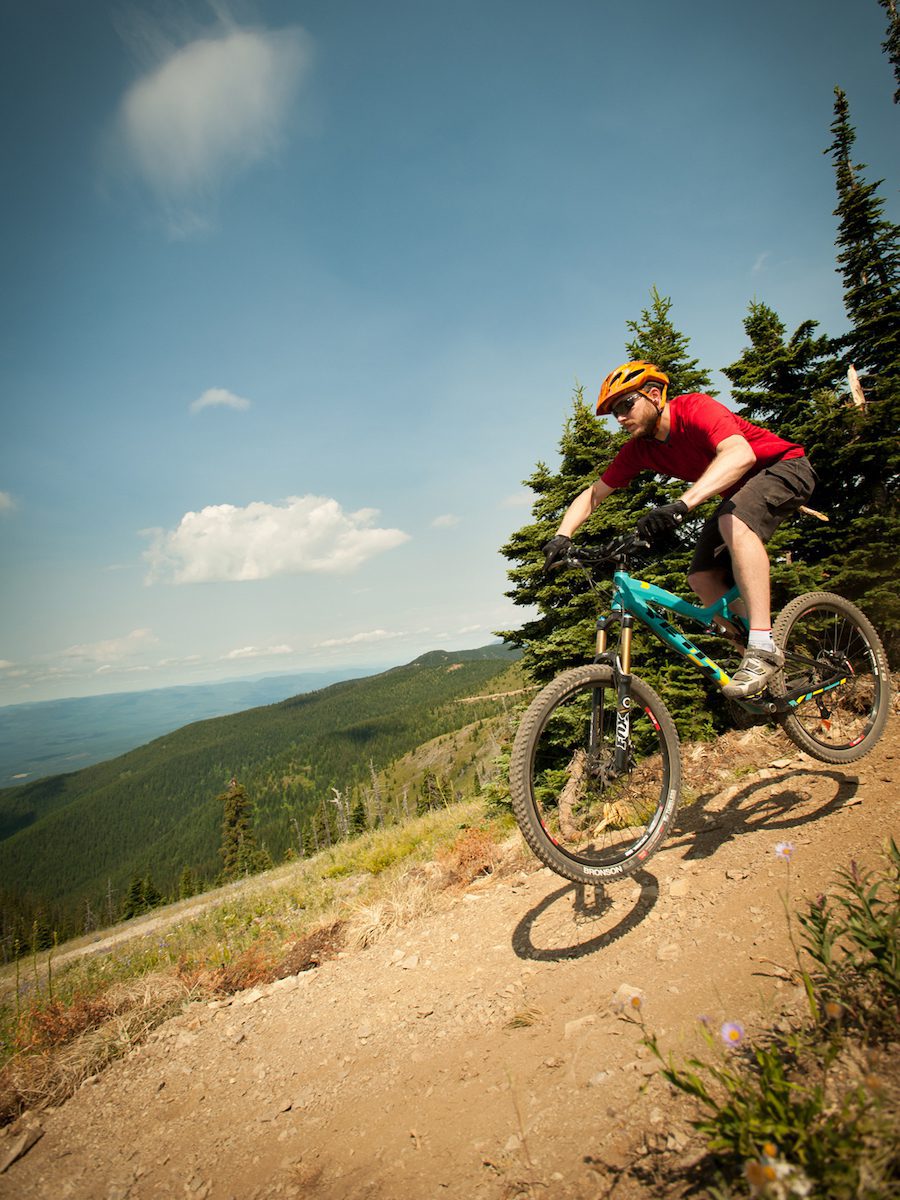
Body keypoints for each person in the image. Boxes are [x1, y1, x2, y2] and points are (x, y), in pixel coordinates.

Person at [542, 360, 817, 699]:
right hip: (738, 494)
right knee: (701, 577)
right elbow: (594, 494)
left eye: (626, 404)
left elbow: (740, 454)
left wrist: (682, 506)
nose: (620, 418)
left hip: (785, 467)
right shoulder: (640, 450)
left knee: (735, 521)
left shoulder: (696, 409)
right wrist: (562, 535)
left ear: (655, 395)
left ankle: (763, 646)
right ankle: (750, 654)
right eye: (614, 412)